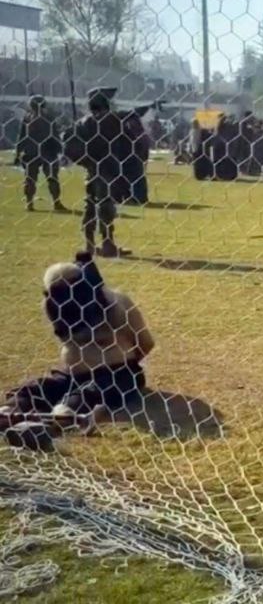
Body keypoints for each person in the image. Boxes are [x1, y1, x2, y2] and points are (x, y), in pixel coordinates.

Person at [3, 252, 152, 417]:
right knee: (38, 387)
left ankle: (66, 412)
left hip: (117, 374)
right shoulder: (54, 307)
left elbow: (145, 342)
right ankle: (12, 408)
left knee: (93, 391)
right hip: (72, 375)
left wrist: (120, 363)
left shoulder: (117, 302)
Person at [64, 87, 130, 256]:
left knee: (91, 205)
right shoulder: (109, 120)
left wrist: (86, 161)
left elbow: (70, 146)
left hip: (92, 168)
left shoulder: (83, 122)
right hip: (106, 168)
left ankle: (89, 244)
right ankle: (108, 244)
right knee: (106, 206)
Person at [16, 95, 66, 212]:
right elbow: (55, 136)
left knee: (30, 179)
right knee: (52, 178)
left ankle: (29, 203)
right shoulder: (49, 118)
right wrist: (61, 151)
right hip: (47, 152)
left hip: (31, 152)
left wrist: (18, 153)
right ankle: (56, 202)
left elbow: (21, 137)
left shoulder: (27, 118)